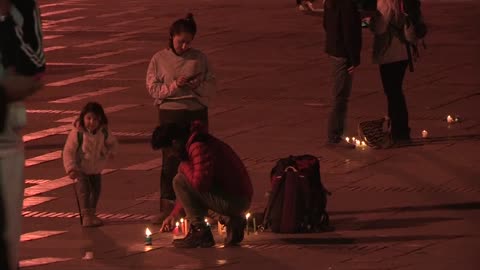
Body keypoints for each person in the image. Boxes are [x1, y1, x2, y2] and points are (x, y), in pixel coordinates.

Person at [146, 13, 217, 225]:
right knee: (170, 160)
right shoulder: (159, 59)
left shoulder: (200, 58)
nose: (185, 46)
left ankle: (201, 205)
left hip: (195, 111)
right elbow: (152, 88)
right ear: (171, 37)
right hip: (171, 111)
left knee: (199, 158)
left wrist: (197, 86)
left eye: (188, 42)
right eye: (180, 41)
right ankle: (167, 206)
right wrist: (174, 85)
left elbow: (212, 84)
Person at [151, 121, 253, 248]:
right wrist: (174, 215)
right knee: (185, 185)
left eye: (168, 151)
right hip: (234, 197)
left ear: (174, 142)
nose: (170, 155)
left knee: (179, 180)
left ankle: (200, 232)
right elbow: (193, 194)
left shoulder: (198, 147)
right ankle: (230, 220)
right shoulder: (196, 142)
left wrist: (184, 165)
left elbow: (199, 185)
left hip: (235, 200)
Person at [0, 0, 45, 269]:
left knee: (6, 238)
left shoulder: (22, 6)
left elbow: (36, 66)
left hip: (5, 138)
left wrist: (4, 21)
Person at [62, 102, 118, 227]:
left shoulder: (104, 132)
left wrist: (110, 152)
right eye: (89, 118)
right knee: (85, 191)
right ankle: (86, 215)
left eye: (95, 119)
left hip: (96, 168)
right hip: (81, 168)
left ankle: (92, 213)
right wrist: (70, 168)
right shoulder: (78, 133)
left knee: (96, 190)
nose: (91, 122)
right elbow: (68, 151)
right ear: (83, 118)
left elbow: (112, 143)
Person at [369, 0, 411, 144]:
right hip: (404, 52)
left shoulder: (385, 3)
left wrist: (370, 21)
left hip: (391, 54)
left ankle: (399, 131)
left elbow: (380, 28)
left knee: (393, 93)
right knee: (396, 91)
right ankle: (401, 130)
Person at [323, 0, 362, 148]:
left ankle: (336, 134)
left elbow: (326, 25)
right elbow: (349, 32)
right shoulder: (347, 4)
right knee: (341, 97)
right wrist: (353, 59)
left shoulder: (331, 2)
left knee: (340, 96)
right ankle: (334, 136)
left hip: (334, 49)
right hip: (343, 53)